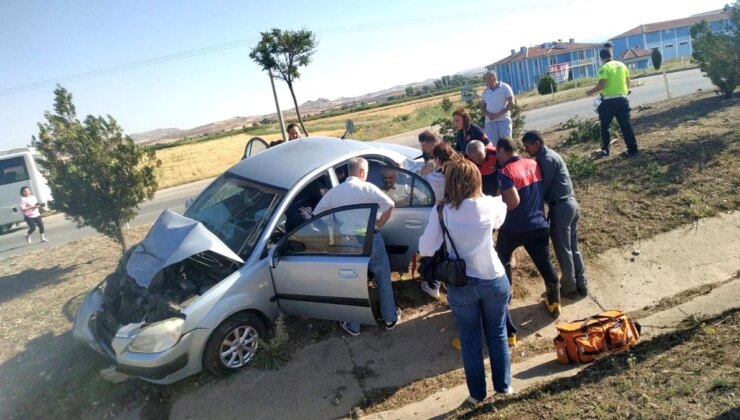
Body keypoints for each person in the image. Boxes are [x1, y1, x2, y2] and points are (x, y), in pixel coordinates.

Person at [418, 158, 512, 404]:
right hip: (493, 278)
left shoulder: (442, 211)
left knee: (470, 340)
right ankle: (503, 387)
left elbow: (426, 248)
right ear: (477, 178)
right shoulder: (490, 204)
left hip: (461, 284)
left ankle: (477, 395)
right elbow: (500, 219)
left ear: (449, 182)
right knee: (498, 333)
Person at [312, 157, 400, 336]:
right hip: (371, 238)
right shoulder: (368, 188)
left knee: (354, 284)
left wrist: (335, 225)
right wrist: (380, 222)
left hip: (348, 240)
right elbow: (390, 204)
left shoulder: (335, 192)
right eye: (366, 172)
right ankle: (390, 318)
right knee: (383, 279)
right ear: (361, 172)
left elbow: (317, 212)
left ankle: (354, 325)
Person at [494, 138, 561, 318]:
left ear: (501, 151)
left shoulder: (505, 171)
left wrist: (499, 205)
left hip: (513, 228)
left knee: (503, 258)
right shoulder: (533, 163)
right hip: (539, 225)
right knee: (545, 263)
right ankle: (554, 303)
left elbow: (513, 202)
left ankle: (506, 297)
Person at [522, 131, 588, 298]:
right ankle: (581, 284)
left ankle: (569, 288)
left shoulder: (547, 160)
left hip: (561, 208)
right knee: (573, 247)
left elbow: (543, 187)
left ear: (536, 143)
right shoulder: (549, 155)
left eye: (528, 146)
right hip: (569, 204)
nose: (526, 150)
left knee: (563, 249)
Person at [418, 142, 458, 298]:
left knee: (436, 252)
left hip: (441, 217)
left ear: (437, 159)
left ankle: (433, 284)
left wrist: (424, 172)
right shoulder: (458, 172)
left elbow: (420, 191)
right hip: (459, 215)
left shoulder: (432, 177)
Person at [586, 47, 639, 157]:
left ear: (601, 58)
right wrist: (625, 91)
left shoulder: (604, 68)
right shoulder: (622, 65)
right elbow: (628, 81)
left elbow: (602, 84)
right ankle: (632, 149)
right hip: (623, 99)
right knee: (626, 125)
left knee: (605, 126)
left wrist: (590, 92)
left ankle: (605, 150)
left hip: (609, 101)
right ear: (611, 55)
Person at [480, 70, 515, 146]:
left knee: (506, 144)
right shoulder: (485, 92)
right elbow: (482, 107)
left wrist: (498, 115)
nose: (484, 81)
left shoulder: (505, 87)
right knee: (493, 146)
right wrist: (488, 114)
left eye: (485, 79)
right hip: (490, 122)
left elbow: (511, 103)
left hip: (504, 121)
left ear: (492, 78)